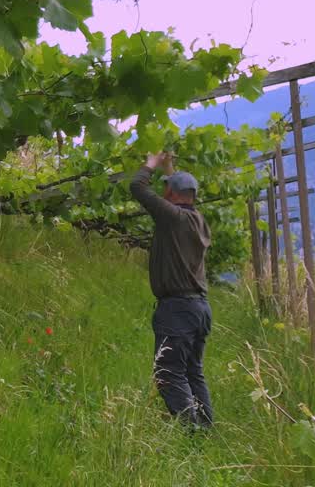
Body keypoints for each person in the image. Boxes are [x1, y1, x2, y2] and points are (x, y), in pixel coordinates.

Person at [129, 152, 214, 428]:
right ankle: (204, 428)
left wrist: (151, 164)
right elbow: (177, 190)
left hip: (177, 309)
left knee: (167, 372)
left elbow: (137, 188)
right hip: (199, 308)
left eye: (166, 188)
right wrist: (170, 169)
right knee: (192, 372)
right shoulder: (197, 220)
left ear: (172, 194)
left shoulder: (172, 217)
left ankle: (191, 430)